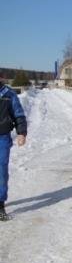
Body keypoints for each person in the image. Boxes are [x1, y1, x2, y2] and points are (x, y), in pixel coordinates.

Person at [0, 78, 27, 221]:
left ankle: (0, 205)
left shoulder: (8, 94)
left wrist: (21, 132)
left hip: (2, 137)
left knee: (1, 171)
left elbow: (18, 114)